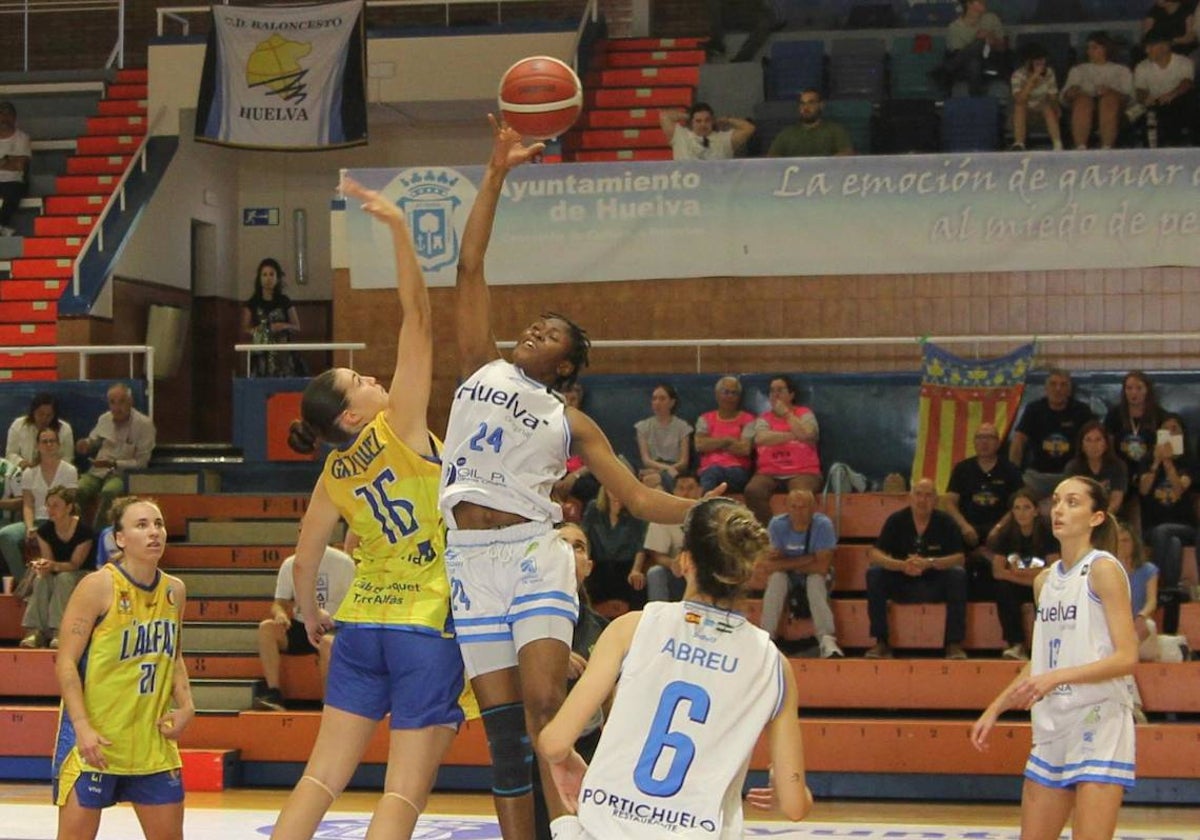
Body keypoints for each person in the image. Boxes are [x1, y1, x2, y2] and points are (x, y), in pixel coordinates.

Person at [439, 116, 713, 840]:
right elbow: (469, 267)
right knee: (502, 740)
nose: (535, 329)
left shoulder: (570, 421)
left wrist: (697, 509)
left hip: (532, 556)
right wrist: (495, 171)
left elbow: (637, 496)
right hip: (468, 561)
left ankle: (575, 828)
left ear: (565, 365)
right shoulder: (482, 366)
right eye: (534, 323)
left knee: (543, 706)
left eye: (552, 332)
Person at [269, 178, 472, 840]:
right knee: (402, 795)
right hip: (424, 623)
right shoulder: (402, 427)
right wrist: (397, 230)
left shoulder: (332, 472)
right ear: (353, 414)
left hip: (359, 626)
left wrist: (312, 616)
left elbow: (305, 559)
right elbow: (421, 318)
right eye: (361, 381)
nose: (374, 377)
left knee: (321, 778)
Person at [537, 497, 813, 839]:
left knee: (567, 821)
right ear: (746, 571)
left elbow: (553, 743)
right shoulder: (773, 664)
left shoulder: (633, 626)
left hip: (606, 830)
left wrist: (563, 759)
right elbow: (794, 806)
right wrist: (785, 786)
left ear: (684, 562)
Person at [971, 477, 1138, 838]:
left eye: (1073, 502)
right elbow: (1040, 663)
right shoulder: (1043, 581)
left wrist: (1057, 678)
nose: (1060, 509)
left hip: (1099, 720)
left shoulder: (1103, 569)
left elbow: (1127, 657)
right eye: (1057, 501)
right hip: (1051, 725)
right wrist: (996, 707)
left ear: (1096, 517)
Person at [53, 496, 194, 840]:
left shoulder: (175, 590)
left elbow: (173, 654)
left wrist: (188, 705)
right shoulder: (98, 586)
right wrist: (83, 727)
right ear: (120, 538)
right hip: (95, 742)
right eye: (142, 525)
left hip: (152, 745)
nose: (154, 532)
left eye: (158, 524)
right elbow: (66, 661)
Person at [531, 522, 609, 840]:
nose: (570, 553)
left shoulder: (605, 632)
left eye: (578, 546)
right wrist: (544, 663)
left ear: (588, 566)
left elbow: (615, 709)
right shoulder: (519, 623)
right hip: (532, 755)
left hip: (590, 750)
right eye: (560, 544)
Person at [866, 478, 968, 660]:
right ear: (910, 497)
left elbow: (959, 558)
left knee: (957, 575)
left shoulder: (946, 522)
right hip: (902, 581)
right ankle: (881, 641)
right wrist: (902, 566)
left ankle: (954, 644)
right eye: (918, 494)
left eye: (928, 495)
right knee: (874, 574)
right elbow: (875, 554)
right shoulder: (896, 520)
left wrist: (930, 562)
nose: (923, 500)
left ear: (936, 500)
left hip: (934, 582)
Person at [252, 542, 356, 712]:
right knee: (267, 629)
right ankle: (273, 693)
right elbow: (279, 603)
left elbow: (355, 601)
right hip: (302, 624)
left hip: (333, 625)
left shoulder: (343, 562)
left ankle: (329, 702)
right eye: (300, 530)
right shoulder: (291, 563)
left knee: (327, 643)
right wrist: (281, 614)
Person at [756, 488, 843, 658]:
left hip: (817, 577)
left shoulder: (822, 525)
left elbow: (822, 567)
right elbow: (768, 566)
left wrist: (786, 563)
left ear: (812, 508)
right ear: (787, 507)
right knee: (776, 579)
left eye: (803, 507)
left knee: (815, 581)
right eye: (793, 507)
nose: (798, 512)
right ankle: (767, 638)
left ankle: (826, 639)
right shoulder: (777, 524)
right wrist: (808, 558)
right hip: (788, 576)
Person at [943, 421, 1024, 600]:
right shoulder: (962, 469)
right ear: (974, 442)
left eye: (989, 438)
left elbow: (1019, 503)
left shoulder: (1009, 469)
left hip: (1000, 529)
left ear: (997, 442)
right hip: (968, 529)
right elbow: (949, 502)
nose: (984, 442)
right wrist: (963, 526)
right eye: (980, 437)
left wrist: (1000, 528)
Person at [1136, 413, 1193, 635]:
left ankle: (1159, 585)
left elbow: (1179, 491)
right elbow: (1143, 489)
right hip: (1153, 528)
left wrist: (1169, 462)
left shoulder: (1188, 461)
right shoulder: (1147, 460)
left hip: (1184, 525)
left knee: (1169, 533)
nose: (1171, 435)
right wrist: (1157, 461)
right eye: (1166, 430)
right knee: (1173, 542)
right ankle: (1169, 590)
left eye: (1175, 430)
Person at [987, 488, 1060, 661]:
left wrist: (1020, 573)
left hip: (1041, 584)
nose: (1021, 513)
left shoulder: (1047, 532)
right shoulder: (1005, 534)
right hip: (1019, 584)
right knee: (1003, 589)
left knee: (1046, 588)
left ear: (1036, 511)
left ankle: (1046, 646)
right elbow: (997, 571)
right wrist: (1021, 576)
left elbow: (1053, 569)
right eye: (1017, 508)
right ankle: (1016, 644)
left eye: (1026, 507)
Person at [0, 427, 78, 584]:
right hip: (36, 520)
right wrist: (29, 527)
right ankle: (25, 583)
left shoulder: (69, 471)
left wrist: (58, 523)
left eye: (52, 441)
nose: (48, 444)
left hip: (59, 521)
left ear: (58, 445)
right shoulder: (29, 472)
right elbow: (28, 504)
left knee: (47, 536)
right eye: (44, 441)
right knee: (6, 535)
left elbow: (71, 504)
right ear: (37, 446)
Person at [74, 383, 156, 531]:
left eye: (121, 402)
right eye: (112, 402)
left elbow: (141, 462)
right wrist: (86, 444)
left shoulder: (144, 425)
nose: (116, 407)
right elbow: (94, 440)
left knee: (109, 492)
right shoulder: (104, 419)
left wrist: (114, 463)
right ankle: (76, 532)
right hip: (97, 471)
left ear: (131, 402)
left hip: (122, 474)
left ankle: (99, 535)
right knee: (77, 489)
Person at [744, 375, 822, 526]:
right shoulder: (764, 418)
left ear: (791, 395)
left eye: (780, 390)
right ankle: (769, 535)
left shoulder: (804, 414)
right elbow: (761, 438)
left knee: (799, 497)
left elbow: (808, 434)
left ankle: (798, 534)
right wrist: (794, 435)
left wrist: (787, 415)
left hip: (803, 471)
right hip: (769, 472)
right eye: (772, 391)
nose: (775, 395)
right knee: (752, 491)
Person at [1009, 369, 1094, 499]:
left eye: (1063, 384)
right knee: (1020, 500)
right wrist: (1013, 473)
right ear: (1046, 388)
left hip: (1070, 475)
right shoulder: (1034, 409)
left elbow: (1094, 442)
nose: (1058, 389)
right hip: (1037, 475)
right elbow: (1018, 441)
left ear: (1070, 390)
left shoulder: (1082, 411)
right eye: (1053, 384)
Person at [1104, 370, 1166, 531]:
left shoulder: (1159, 415)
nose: (1134, 393)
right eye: (1129, 388)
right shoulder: (1114, 415)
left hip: (1151, 471)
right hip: (1122, 470)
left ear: (1147, 390)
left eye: (1139, 388)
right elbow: (1108, 447)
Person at [1061, 32, 1133, 150]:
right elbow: (1064, 98)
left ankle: (1106, 147)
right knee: (1083, 101)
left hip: (1115, 112)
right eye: (1088, 48)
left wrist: (1111, 92)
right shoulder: (1078, 70)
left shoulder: (1121, 70)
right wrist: (1070, 93)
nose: (1090, 51)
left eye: (1094, 47)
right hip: (1084, 109)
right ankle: (1080, 147)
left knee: (1108, 99)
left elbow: (1130, 98)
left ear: (1106, 49)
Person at [638, 471, 701, 604]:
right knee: (655, 573)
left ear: (700, 490)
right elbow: (657, 555)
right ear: (673, 491)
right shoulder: (662, 515)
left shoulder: (710, 516)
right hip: (676, 573)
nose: (685, 493)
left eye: (690, 488)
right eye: (681, 488)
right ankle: (659, 619)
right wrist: (673, 564)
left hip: (703, 571)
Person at [582, 484, 649, 609]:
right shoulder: (593, 508)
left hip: (626, 566)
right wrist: (583, 562)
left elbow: (641, 546)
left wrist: (636, 570)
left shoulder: (636, 512)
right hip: (598, 565)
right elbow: (584, 537)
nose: (616, 494)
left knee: (637, 582)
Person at [1132, 30, 1196, 147]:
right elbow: (1140, 90)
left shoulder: (1183, 62)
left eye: (1150, 47)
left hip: (1177, 104)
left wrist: (1172, 95)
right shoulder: (1142, 66)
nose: (1147, 51)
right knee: (1130, 115)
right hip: (1152, 105)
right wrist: (1146, 98)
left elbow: (1186, 83)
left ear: (1164, 47)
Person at [242, 257, 303, 378]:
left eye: (271, 274)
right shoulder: (252, 303)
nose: (268, 278)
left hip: (283, 355)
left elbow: (297, 327)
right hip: (261, 354)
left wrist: (283, 326)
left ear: (277, 278)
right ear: (259, 279)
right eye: (264, 275)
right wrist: (260, 331)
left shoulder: (285, 301)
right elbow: (245, 329)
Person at [694, 375, 755, 494]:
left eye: (734, 393)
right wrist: (728, 440)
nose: (730, 397)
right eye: (726, 392)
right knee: (711, 473)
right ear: (717, 395)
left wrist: (713, 443)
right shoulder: (705, 418)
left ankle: (706, 507)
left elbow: (744, 449)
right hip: (708, 470)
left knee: (713, 473)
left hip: (737, 471)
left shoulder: (748, 419)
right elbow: (700, 445)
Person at [941, 0, 1008, 97]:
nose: (984, 1)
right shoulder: (955, 27)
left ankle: (946, 69)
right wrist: (979, 41)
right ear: (969, 3)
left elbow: (1003, 48)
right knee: (974, 62)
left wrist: (992, 39)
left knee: (978, 47)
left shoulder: (991, 18)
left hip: (990, 60)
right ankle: (977, 99)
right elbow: (959, 55)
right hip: (964, 66)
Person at [634, 383, 692, 491]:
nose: (657, 403)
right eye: (654, 399)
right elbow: (646, 460)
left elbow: (684, 462)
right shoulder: (642, 427)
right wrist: (666, 470)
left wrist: (668, 470)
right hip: (655, 468)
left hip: (676, 470)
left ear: (672, 402)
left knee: (655, 484)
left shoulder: (683, 426)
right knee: (656, 486)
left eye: (662, 399)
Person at [1116, 521, 1160, 663]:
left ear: (1134, 542)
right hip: (1115, 622)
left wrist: (1141, 615)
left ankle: (1124, 656)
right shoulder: (1107, 569)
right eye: (1118, 541)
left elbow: (1152, 601)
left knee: (1148, 627)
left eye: (1126, 540)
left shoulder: (1148, 570)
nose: (1122, 545)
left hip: (1137, 622)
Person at [1064, 420, 1129, 517]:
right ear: (1082, 445)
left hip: (1111, 518)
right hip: (1081, 517)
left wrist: (1100, 519)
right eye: (1088, 440)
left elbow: (1115, 501)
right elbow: (1071, 499)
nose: (1093, 445)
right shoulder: (1073, 468)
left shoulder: (1118, 466)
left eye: (1098, 440)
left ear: (1106, 444)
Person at [552, 383, 599, 510]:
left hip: (579, 474)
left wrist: (575, 476)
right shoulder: (549, 424)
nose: (569, 403)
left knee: (586, 485)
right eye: (565, 399)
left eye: (573, 400)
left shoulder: (588, 425)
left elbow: (596, 460)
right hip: (555, 472)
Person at [767, 90, 855, 158]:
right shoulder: (787, 134)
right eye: (802, 103)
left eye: (811, 103)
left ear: (821, 105)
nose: (806, 108)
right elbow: (772, 158)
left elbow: (847, 154)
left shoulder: (835, 130)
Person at [1009, 43, 1064, 150]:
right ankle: (1019, 143)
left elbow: (1052, 96)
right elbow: (1019, 99)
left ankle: (1057, 143)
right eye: (1037, 63)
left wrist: (1056, 108)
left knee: (1047, 107)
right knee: (1020, 106)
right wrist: (1031, 81)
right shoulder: (1018, 75)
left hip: (1043, 108)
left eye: (1043, 63)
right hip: (1025, 109)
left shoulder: (1049, 73)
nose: (1041, 66)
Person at [658, 103, 755, 160]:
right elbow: (664, 116)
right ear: (691, 122)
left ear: (712, 120)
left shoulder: (724, 139)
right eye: (698, 121)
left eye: (707, 120)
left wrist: (726, 119)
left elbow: (749, 128)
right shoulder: (680, 135)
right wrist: (689, 116)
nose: (703, 124)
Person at [6, 392, 75, 471]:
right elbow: (10, 454)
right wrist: (22, 463)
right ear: (33, 412)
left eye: (49, 415)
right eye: (40, 414)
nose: (44, 418)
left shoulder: (65, 429)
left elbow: (68, 458)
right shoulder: (18, 425)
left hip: (54, 473)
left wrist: (53, 468)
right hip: (24, 472)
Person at [0, 101, 31, 237]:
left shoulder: (22, 138)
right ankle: (2, 228)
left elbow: (20, 165)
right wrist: (7, 160)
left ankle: (2, 225)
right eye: (1, 115)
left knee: (12, 192)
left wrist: (8, 162)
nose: (4, 119)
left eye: (8, 115)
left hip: (14, 181)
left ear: (14, 117)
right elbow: (14, 162)